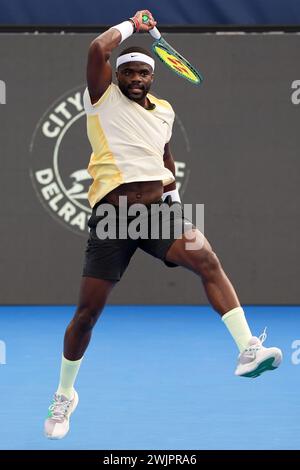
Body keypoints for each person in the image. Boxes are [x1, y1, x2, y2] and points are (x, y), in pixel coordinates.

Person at [44, 10, 282, 440]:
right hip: (113, 218)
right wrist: (133, 25)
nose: (135, 77)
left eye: (143, 72)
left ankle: (248, 348)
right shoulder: (102, 98)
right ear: (116, 77)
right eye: (128, 72)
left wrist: (174, 200)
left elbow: (165, 158)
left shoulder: (165, 112)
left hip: (156, 213)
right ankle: (64, 395)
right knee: (86, 316)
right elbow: (98, 48)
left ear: (153, 77)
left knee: (206, 258)